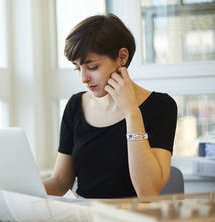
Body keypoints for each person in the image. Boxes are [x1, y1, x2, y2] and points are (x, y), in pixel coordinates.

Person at [43, 13, 177, 198]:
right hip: (85, 219)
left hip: (132, 221)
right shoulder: (75, 105)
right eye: (77, 68)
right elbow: (59, 182)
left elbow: (148, 190)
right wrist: (12, 192)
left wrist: (131, 112)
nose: (83, 78)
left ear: (122, 57)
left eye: (92, 67)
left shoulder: (161, 107)